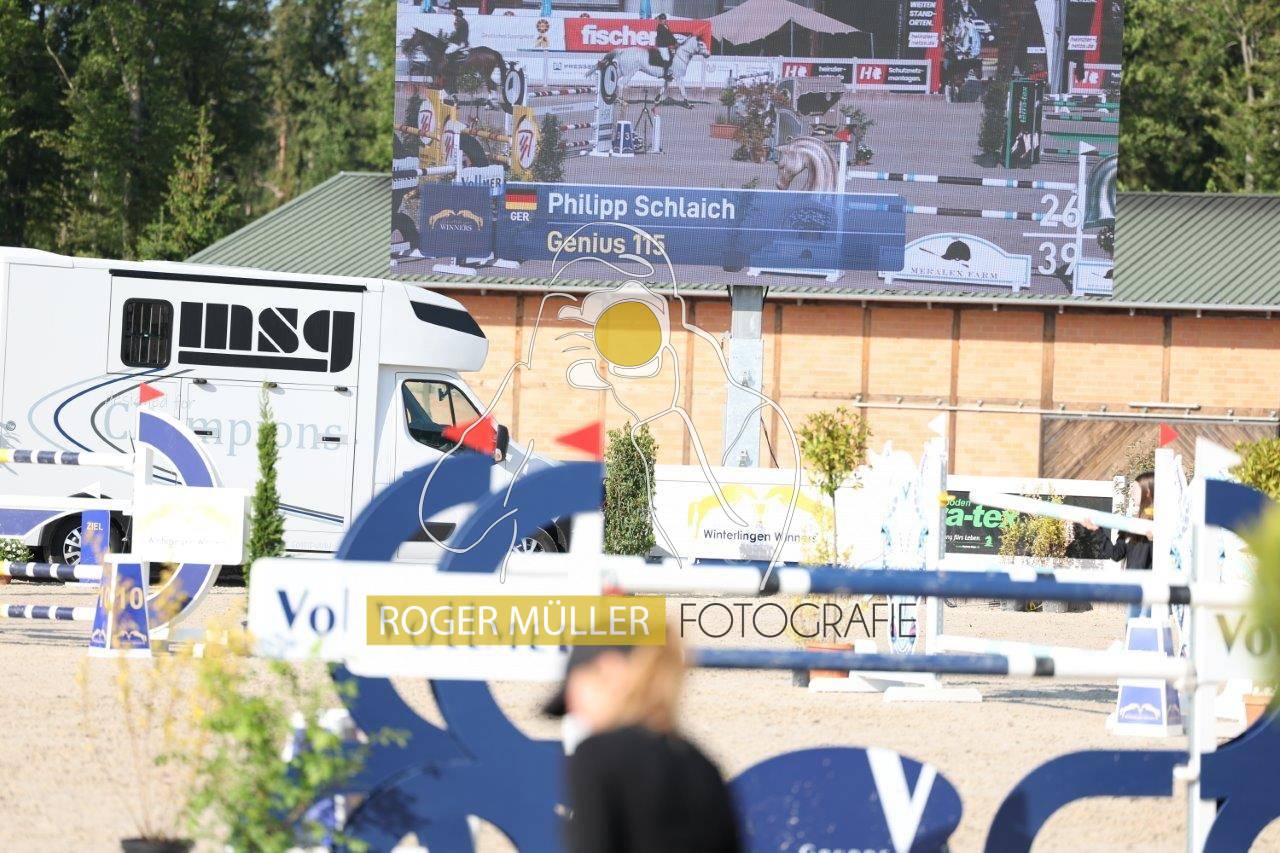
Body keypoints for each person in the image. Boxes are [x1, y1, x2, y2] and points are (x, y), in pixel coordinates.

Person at [544, 635, 742, 853]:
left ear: (610, 671)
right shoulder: (704, 767)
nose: (574, 709)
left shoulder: (597, 756)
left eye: (573, 693)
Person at [1082, 470, 1154, 617]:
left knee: (1147, 625)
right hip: (1133, 589)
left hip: (1152, 589)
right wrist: (1096, 531)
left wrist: (1156, 538)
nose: (1131, 493)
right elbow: (1116, 554)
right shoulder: (1129, 524)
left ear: (1147, 492)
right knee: (1132, 625)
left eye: (1135, 489)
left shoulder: (1160, 521)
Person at [654, 13, 677, 82]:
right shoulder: (660, 27)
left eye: (665, 19)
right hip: (662, 45)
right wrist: (672, 43)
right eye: (663, 19)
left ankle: (670, 71)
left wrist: (675, 41)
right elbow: (665, 37)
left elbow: (670, 35)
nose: (664, 20)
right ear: (660, 20)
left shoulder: (666, 26)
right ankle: (665, 75)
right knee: (666, 58)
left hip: (667, 45)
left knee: (673, 55)